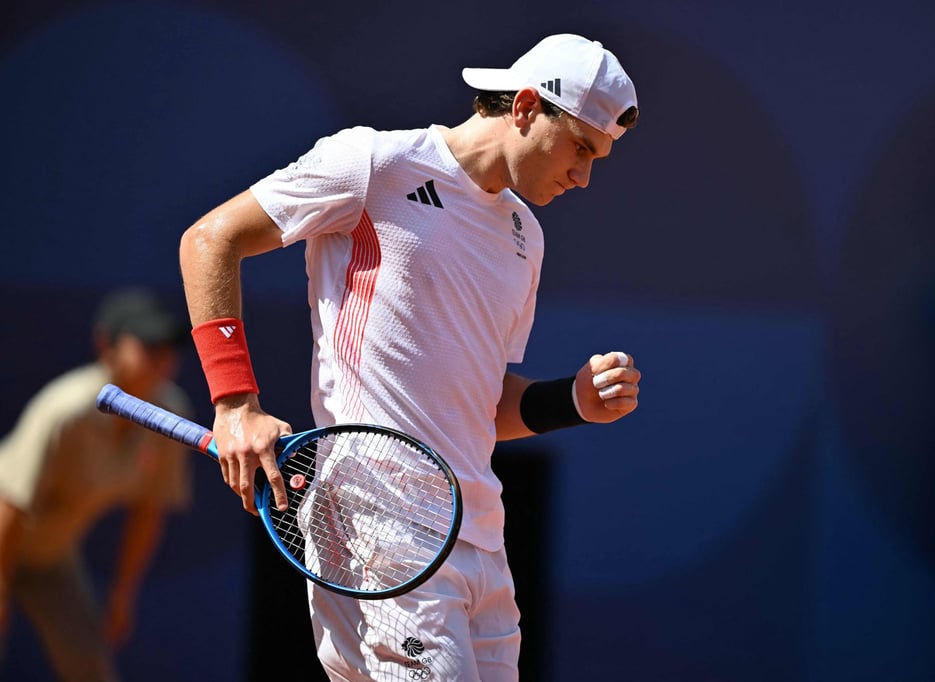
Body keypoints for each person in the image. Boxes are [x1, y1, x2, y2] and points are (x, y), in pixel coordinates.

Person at [178, 33, 642, 681]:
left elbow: (483, 407)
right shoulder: (374, 165)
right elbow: (210, 240)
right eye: (581, 148)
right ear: (527, 108)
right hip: (380, 521)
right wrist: (234, 404)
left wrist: (572, 401)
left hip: (480, 539)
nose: (585, 175)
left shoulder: (524, 237)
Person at [0, 287, 193, 682]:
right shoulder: (65, 409)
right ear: (106, 344)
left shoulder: (172, 415)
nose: (161, 358)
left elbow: (147, 509)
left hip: (48, 556)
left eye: (168, 347)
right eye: (148, 344)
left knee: (90, 667)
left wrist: (123, 593)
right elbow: (9, 505)